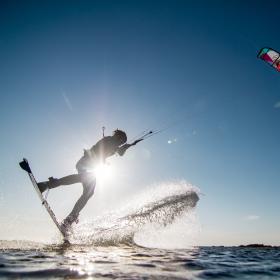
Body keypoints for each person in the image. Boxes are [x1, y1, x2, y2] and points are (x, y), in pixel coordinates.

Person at [37, 129, 139, 233]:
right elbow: (114, 150)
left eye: (122, 143)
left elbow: (119, 152)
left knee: (88, 192)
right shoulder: (109, 140)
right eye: (121, 141)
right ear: (118, 137)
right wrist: (125, 147)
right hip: (86, 164)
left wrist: (130, 145)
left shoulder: (113, 144)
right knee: (85, 185)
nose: (121, 143)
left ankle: (69, 217)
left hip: (88, 166)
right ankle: (50, 187)